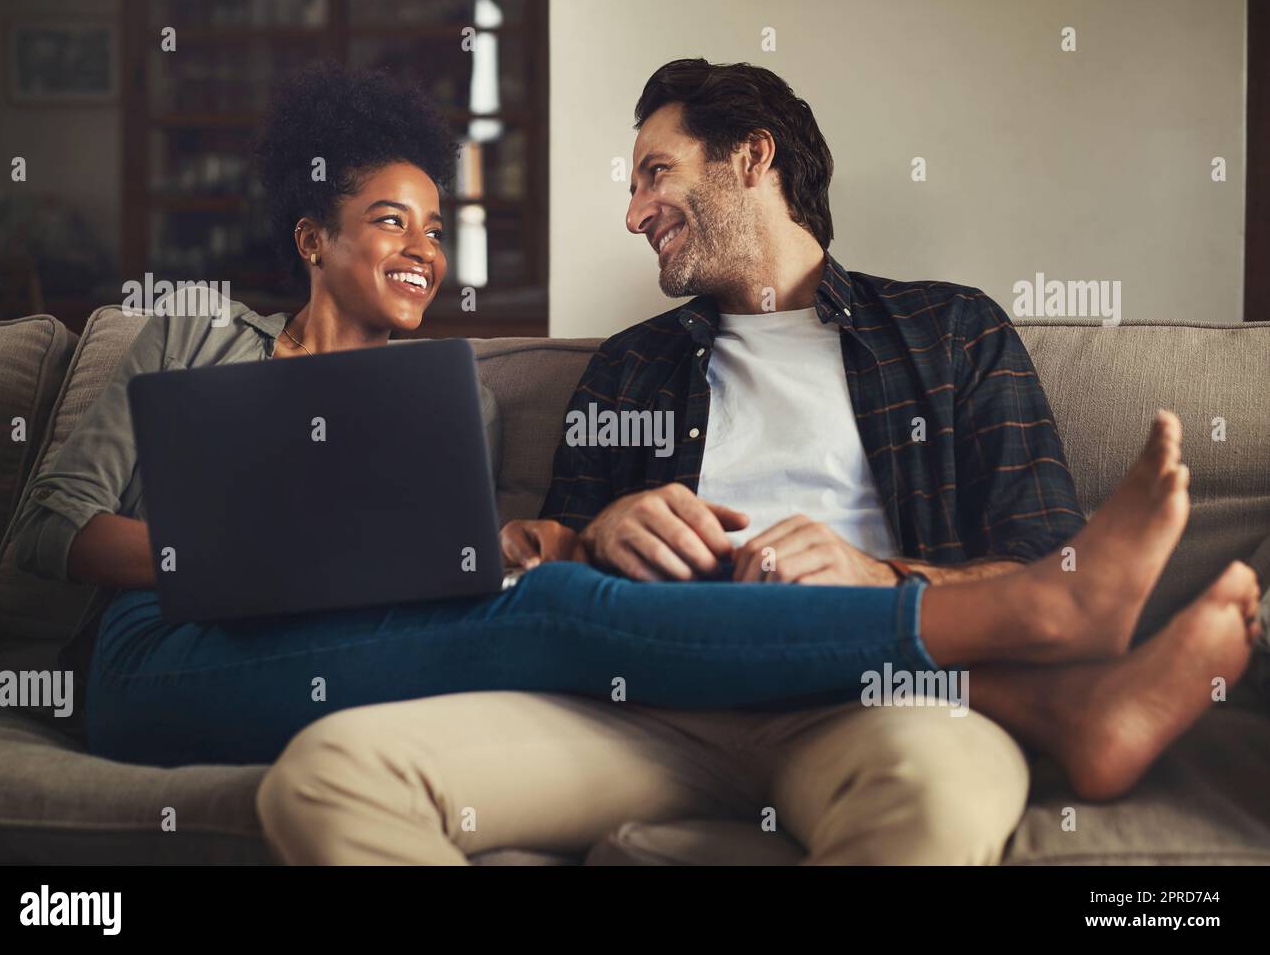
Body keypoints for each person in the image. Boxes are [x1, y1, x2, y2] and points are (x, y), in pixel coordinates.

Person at [254, 60, 1262, 865]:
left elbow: (1046, 577)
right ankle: (1080, 716)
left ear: (750, 156)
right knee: (328, 773)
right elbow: (539, 585)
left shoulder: (951, 336)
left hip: (875, 708)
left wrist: (876, 575)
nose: (633, 210)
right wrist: (599, 530)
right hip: (641, 708)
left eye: (655, 172)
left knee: (937, 805)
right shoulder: (629, 368)